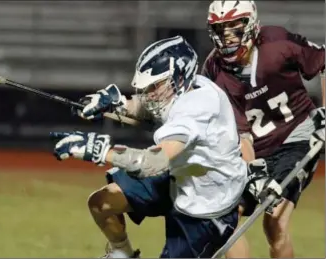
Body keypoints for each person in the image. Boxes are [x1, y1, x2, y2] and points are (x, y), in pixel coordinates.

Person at [49, 36, 267, 258]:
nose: (149, 93)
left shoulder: (195, 109)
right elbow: (147, 108)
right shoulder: (192, 87)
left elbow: (152, 163)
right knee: (101, 203)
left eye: (155, 85)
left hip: (204, 210)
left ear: (179, 77)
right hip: (180, 177)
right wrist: (116, 104)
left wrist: (100, 151)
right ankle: (122, 254)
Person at [201, 1, 325, 258]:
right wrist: (254, 173)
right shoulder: (214, 70)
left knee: (274, 220)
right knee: (225, 218)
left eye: (235, 28)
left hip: (295, 135)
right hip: (251, 150)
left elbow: (323, 61)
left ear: (251, 24)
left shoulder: (278, 43)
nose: (228, 37)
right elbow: (239, 134)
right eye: (221, 29)